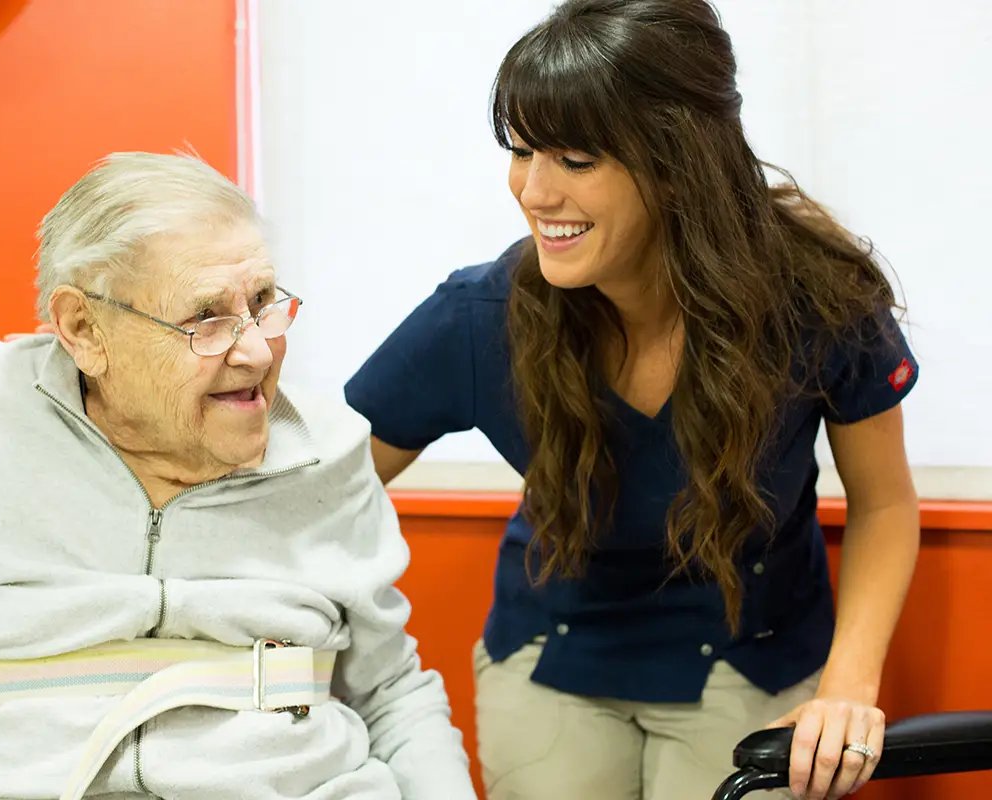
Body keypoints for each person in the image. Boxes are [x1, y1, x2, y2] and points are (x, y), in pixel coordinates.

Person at [343, 2, 920, 800]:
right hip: (557, 651)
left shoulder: (819, 299)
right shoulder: (483, 315)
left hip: (755, 652)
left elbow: (885, 504)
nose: (533, 191)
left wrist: (848, 688)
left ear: (679, 161)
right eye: (521, 151)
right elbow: (325, 493)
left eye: (576, 159)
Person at [0, 152, 478, 800]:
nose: (257, 350)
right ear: (84, 330)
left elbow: (392, 694)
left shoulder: (328, 446)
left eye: (263, 301)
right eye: (206, 317)